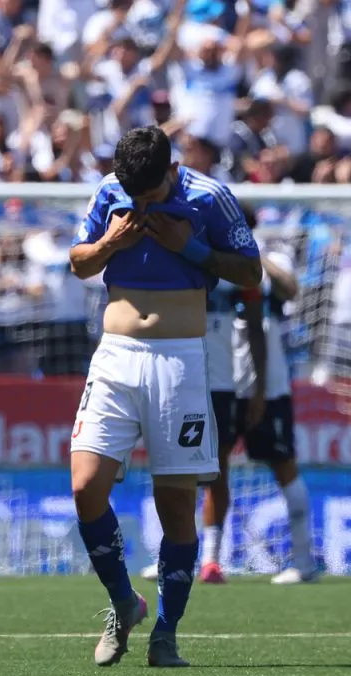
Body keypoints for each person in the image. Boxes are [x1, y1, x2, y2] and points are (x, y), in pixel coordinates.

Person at [69, 126, 262, 667]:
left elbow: (252, 270)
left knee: (174, 503)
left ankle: (166, 632)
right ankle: (123, 603)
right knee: (85, 487)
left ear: (171, 171)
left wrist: (190, 247)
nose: (140, 204)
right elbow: (79, 262)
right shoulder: (111, 191)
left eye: (149, 196)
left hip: (181, 360)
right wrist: (111, 244)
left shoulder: (209, 197)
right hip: (116, 355)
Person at [142, 206, 269, 586]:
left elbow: (257, 329)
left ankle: (212, 559)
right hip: (179, 380)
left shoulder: (237, 273)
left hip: (223, 385)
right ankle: (173, 552)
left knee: (218, 470)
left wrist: (259, 386)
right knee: (171, 468)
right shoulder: (177, 260)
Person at [231, 236, 317, 585]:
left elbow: (291, 289)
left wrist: (257, 256)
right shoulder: (211, 256)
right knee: (205, 467)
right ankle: (203, 560)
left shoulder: (272, 254)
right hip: (224, 374)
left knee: (284, 465)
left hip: (272, 381)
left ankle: (304, 561)